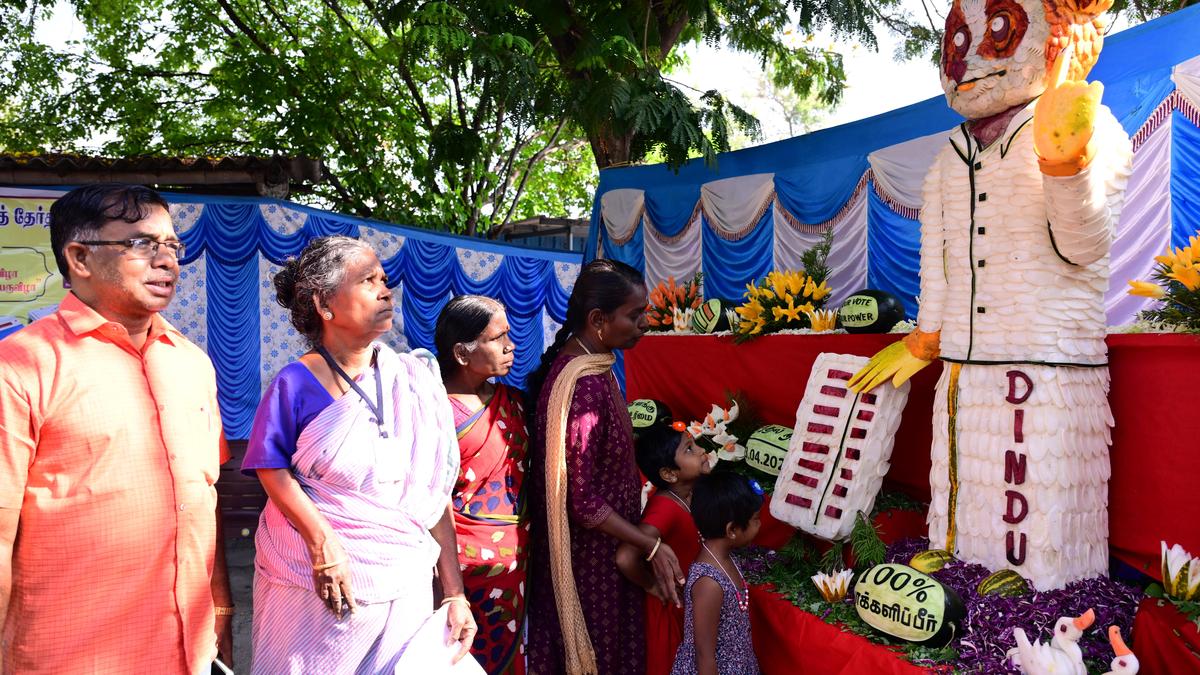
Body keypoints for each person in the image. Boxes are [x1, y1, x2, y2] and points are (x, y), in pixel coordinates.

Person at [0, 183, 234, 673]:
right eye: (143, 244)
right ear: (80, 257)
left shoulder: (193, 364)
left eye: (172, 246)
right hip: (69, 656)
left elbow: (201, 503)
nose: (167, 261)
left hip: (186, 655)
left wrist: (220, 619)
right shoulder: (22, 366)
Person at [241, 236, 475, 673]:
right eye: (368, 281)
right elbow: (269, 468)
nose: (386, 291)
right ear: (325, 304)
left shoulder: (412, 379)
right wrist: (322, 543)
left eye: (384, 280)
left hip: (403, 579)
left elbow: (430, 490)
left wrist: (454, 592)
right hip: (317, 581)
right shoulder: (295, 382)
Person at [525, 258, 683, 675]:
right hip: (589, 565)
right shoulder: (584, 386)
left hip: (604, 556)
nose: (645, 323)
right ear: (598, 320)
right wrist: (649, 544)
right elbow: (582, 502)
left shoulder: (594, 368)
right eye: (635, 315)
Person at [435, 295, 529, 674]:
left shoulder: (516, 401)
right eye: (497, 338)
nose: (511, 346)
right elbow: (432, 499)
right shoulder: (435, 409)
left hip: (519, 567)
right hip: (461, 572)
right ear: (462, 352)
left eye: (509, 334)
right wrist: (449, 589)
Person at [617, 419, 713, 675]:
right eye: (689, 450)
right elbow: (626, 557)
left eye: (694, 445)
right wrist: (652, 585)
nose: (702, 451)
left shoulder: (689, 494)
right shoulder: (665, 507)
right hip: (668, 612)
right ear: (669, 474)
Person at [672, 472, 763, 675]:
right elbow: (705, 655)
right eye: (755, 519)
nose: (760, 524)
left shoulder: (727, 558)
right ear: (731, 530)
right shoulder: (709, 583)